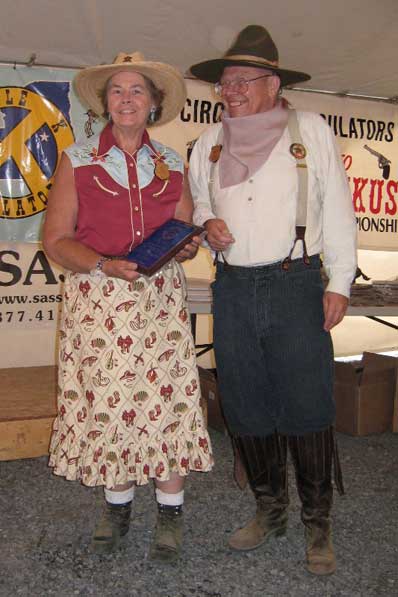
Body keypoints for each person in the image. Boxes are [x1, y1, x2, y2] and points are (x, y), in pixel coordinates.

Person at [188, 25, 357, 576]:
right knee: (245, 399)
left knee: (307, 401)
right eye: (225, 82)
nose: (230, 90)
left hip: (296, 279)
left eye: (243, 80)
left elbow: (337, 210)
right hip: (233, 286)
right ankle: (270, 509)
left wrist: (339, 283)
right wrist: (205, 222)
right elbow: (196, 204)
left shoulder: (310, 128)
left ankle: (318, 524)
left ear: (272, 82)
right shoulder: (208, 142)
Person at [43, 52, 213, 561]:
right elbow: (56, 240)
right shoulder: (78, 160)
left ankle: (171, 510)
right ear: (105, 102)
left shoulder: (176, 163)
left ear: (154, 103)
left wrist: (187, 246)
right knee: (111, 403)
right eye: (117, 90)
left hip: (159, 299)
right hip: (100, 298)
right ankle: (117, 505)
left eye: (137, 90)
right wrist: (102, 264)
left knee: (170, 401)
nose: (126, 99)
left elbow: (184, 233)